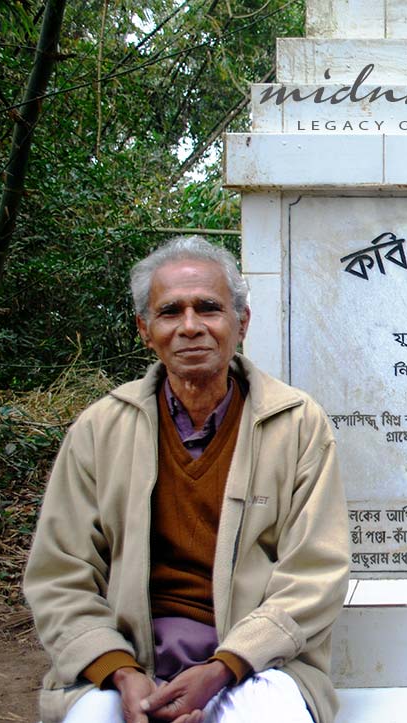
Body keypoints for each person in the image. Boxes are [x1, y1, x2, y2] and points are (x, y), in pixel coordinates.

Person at [24, 236, 350, 723]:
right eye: (171, 311)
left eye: (209, 308)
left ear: (241, 323)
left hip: (254, 667)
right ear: (145, 328)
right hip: (129, 661)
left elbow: (315, 573)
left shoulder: (297, 424)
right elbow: (59, 575)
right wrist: (121, 672)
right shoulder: (100, 429)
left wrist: (224, 667)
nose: (191, 327)